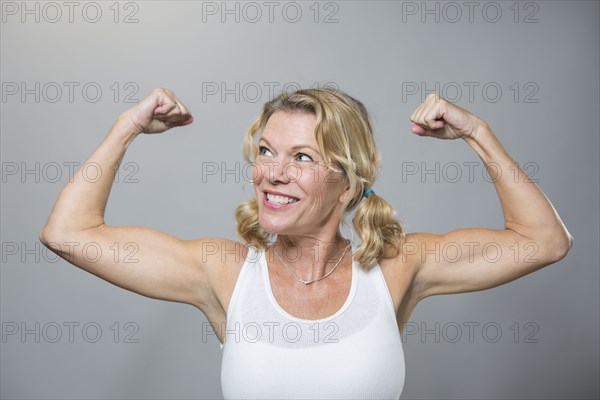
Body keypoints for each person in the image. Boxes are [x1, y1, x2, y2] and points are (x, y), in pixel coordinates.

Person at [39, 87, 573, 399]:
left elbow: (542, 241)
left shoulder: (395, 268)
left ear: (350, 182)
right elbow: (69, 234)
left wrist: (477, 132)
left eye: (301, 158)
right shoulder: (222, 272)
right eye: (266, 151)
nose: (272, 173)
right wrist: (125, 127)